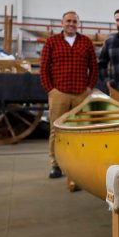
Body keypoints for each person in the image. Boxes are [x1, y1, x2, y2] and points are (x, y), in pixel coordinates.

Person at [40, 10, 98, 181]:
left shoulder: (86, 42)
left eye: (74, 21)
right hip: (59, 94)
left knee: (81, 131)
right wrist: (51, 89)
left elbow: (94, 68)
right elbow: (44, 68)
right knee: (56, 130)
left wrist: (89, 87)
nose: (71, 24)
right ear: (62, 23)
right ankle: (55, 165)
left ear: (78, 24)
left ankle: (79, 165)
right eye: (68, 21)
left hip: (81, 94)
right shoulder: (52, 42)